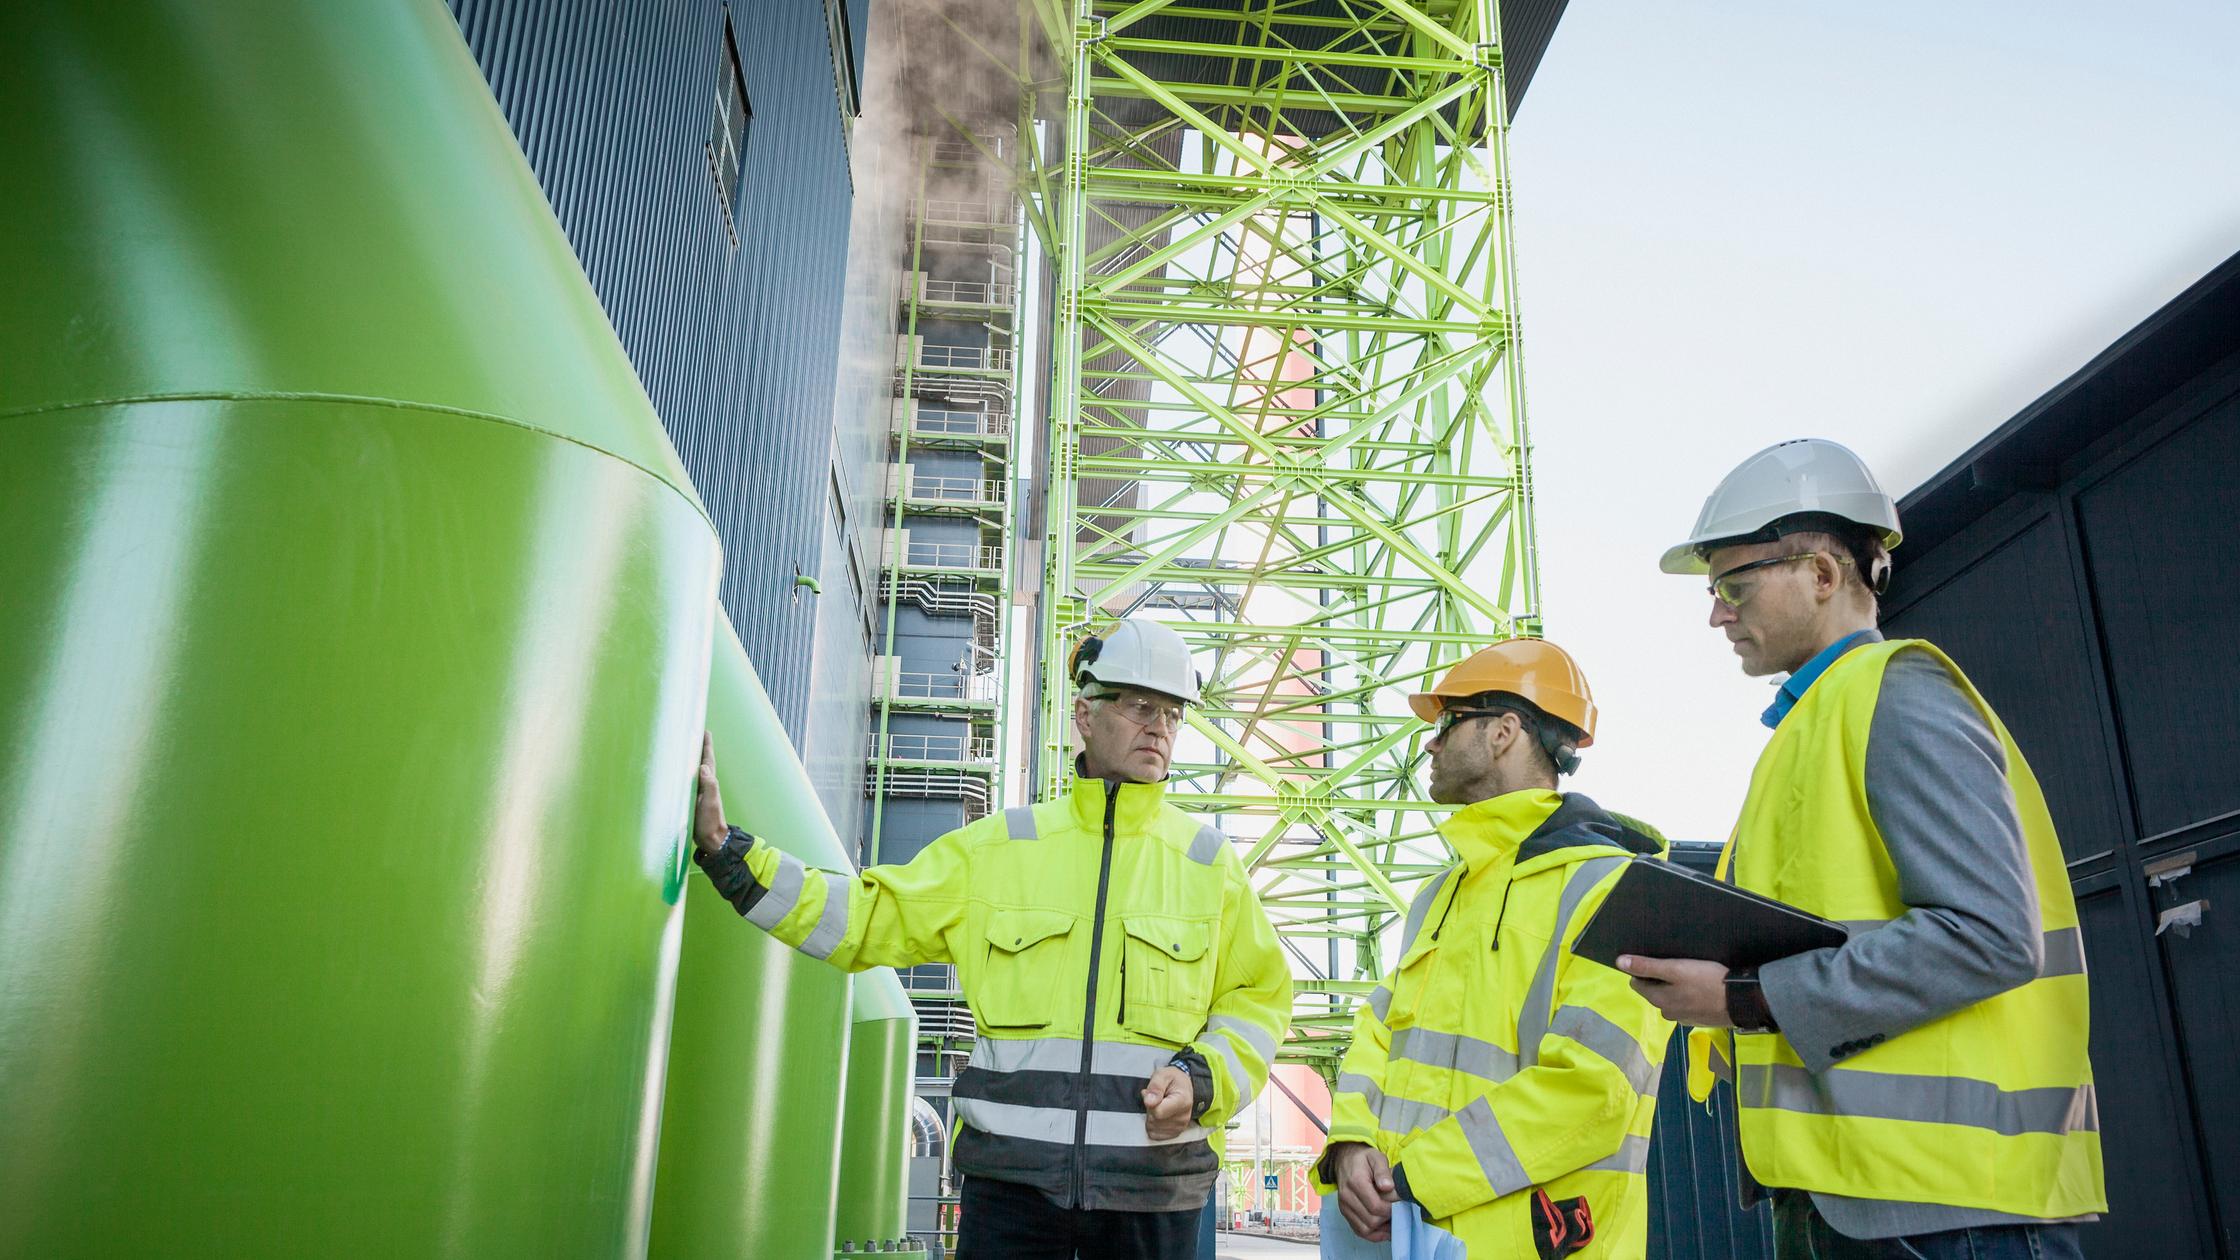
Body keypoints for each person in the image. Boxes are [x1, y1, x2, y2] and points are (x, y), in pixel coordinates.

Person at [1624, 438, 2105, 1259]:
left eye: (1735, 586)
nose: (1716, 613)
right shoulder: (1809, 728)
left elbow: (1991, 937)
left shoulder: (1898, 694)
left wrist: (1743, 999)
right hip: (1847, 1197)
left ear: (1821, 575)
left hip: (1946, 1213)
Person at [690, 617, 1291, 1259]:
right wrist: (732, 857)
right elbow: (865, 918)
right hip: (1012, 1198)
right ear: (1086, 715)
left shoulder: (1208, 863)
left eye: (1173, 714)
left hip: (1154, 1200)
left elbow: (1259, 998)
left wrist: (1204, 1075)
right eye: (1142, 706)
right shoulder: (1001, 850)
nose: (1160, 728)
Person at [1313, 638, 1672, 1258]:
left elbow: (1593, 1090)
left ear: (1505, 731)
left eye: (1449, 722)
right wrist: (1350, 1141)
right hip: (1408, 1232)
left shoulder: (1615, 891)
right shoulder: (1441, 895)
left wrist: (1413, 1179)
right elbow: (1379, 1032)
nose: (1431, 742)